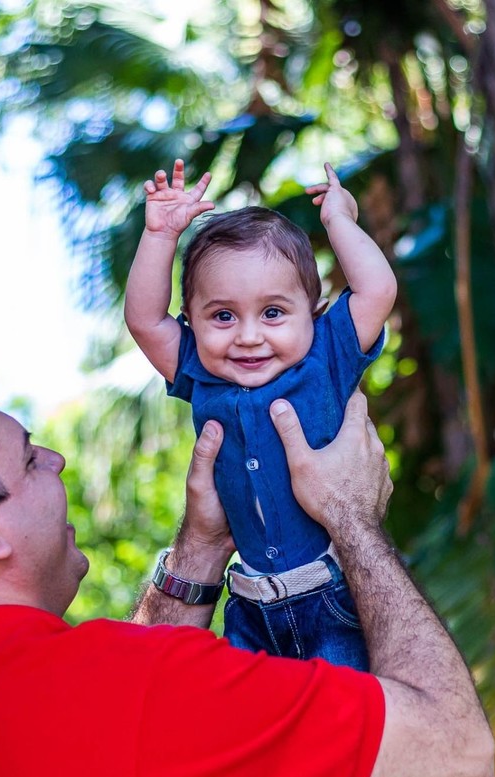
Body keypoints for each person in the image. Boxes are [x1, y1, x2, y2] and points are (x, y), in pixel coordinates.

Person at [0, 364, 493, 777]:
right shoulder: (134, 688)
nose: (58, 459)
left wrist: (201, 547)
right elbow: (457, 750)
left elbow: (113, 743)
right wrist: (352, 518)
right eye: (30, 458)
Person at [124, 158, 397, 669]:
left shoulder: (328, 355)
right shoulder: (199, 370)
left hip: (335, 599)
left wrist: (340, 220)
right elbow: (144, 320)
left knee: (341, 716)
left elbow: (377, 290)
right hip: (248, 607)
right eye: (223, 316)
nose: (249, 336)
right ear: (192, 321)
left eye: (273, 313)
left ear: (312, 312)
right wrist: (160, 237)